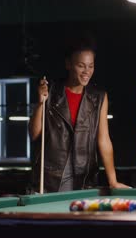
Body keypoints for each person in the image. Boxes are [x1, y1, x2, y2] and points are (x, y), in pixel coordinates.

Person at [29, 34, 129, 193]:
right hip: (51, 177)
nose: (86, 72)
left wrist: (113, 181)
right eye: (81, 66)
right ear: (68, 64)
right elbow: (35, 135)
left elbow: (104, 140)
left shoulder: (99, 98)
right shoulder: (51, 92)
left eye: (91, 66)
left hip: (84, 178)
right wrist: (41, 103)